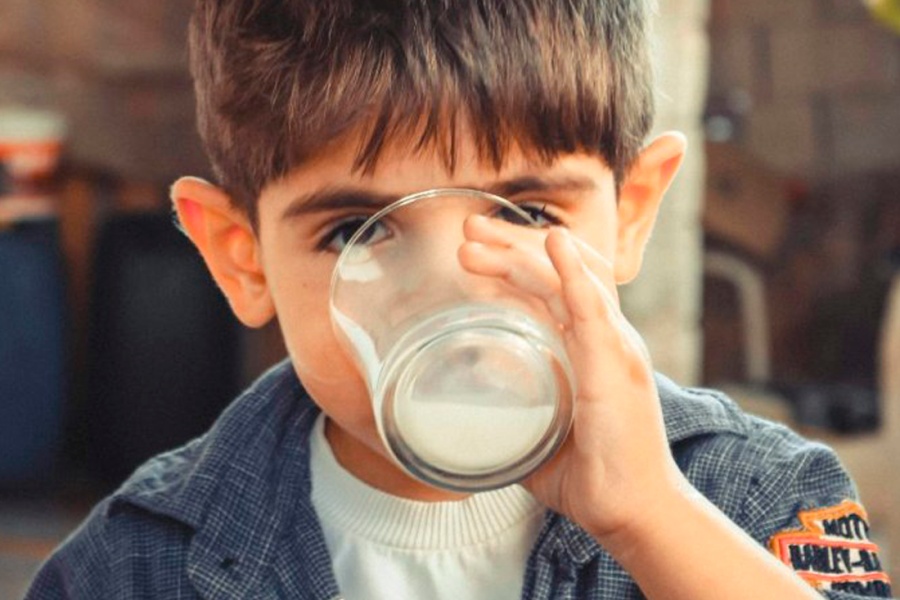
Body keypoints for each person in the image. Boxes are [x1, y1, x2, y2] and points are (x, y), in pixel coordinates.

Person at [26, 1, 894, 598]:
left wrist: (649, 518)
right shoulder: (135, 565)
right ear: (241, 257)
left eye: (522, 214)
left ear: (629, 215)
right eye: (356, 230)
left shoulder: (756, 496)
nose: (451, 289)